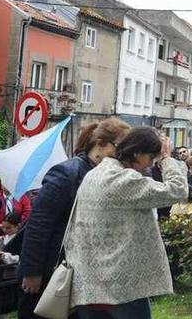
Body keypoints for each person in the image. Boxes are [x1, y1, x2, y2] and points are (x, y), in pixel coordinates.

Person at [64, 126, 188, 318]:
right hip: (121, 287)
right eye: (151, 158)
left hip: (88, 284)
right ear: (137, 153)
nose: (149, 165)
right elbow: (178, 190)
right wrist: (166, 159)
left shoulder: (94, 174)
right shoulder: (122, 179)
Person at [19, 117, 130, 319]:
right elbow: (39, 224)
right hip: (55, 271)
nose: (122, 155)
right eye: (119, 147)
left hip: (88, 275)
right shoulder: (67, 174)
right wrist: (32, 271)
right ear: (100, 144)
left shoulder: (110, 175)